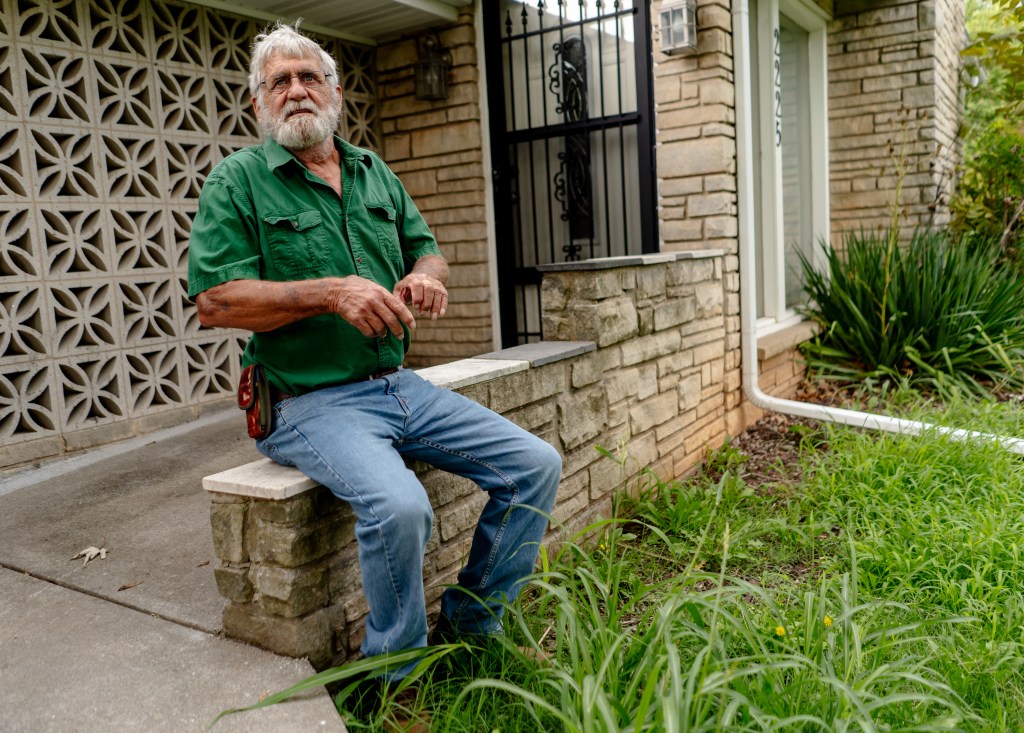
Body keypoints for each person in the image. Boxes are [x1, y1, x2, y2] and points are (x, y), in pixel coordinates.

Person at [186, 20, 561, 682]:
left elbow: (429, 249)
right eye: (280, 80)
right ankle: (399, 680)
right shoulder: (238, 181)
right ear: (257, 102)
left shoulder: (371, 170)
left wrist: (426, 277)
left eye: (310, 76)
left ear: (334, 91)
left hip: (396, 385)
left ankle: (474, 630)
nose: (297, 89)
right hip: (308, 401)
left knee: (535, 465)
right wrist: (328, 292)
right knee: (400, 506)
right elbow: (215, 302)